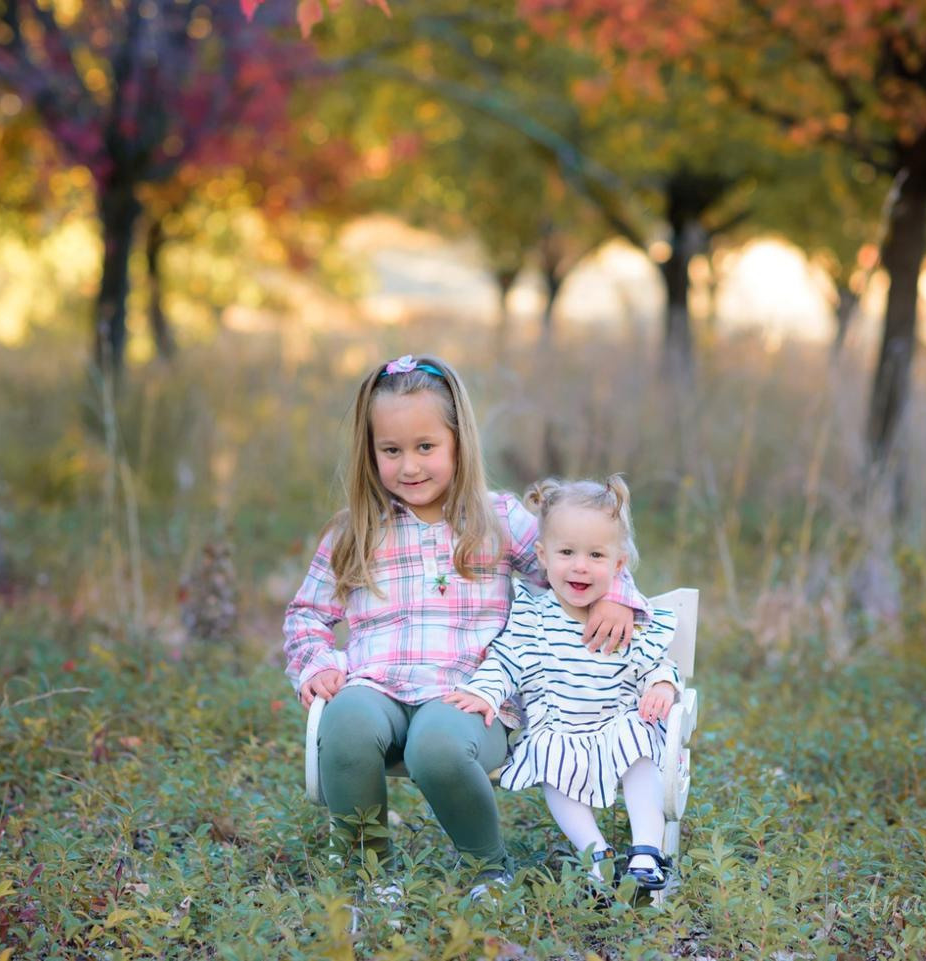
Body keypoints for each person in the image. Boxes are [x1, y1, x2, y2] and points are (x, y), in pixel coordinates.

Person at [283, 354, 650, 895]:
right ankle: (368, 875)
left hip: (471, 699)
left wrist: (616, 596)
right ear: (370, 453)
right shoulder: (354, 530)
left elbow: (574, 565)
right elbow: (307, 615)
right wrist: (314, 662)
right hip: (374, 685)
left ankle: (489, 870)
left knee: (436, 743)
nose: (409, 466)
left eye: (425, 447)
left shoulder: (496, 519)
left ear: (459, 442)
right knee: (347, 721)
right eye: (391, 450)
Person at [444, 475, 679, 892]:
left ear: (618, 565)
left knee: (641, 750)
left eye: (595, 554)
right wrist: (484, 690)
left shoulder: (622, 618)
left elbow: (655, 664)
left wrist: (662, 686)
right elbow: (505, 660)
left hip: (616, 721)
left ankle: (647, 849)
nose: (580, 565)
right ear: (542, 557)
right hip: (560, 730)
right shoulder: (532, 616)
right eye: (566, 552)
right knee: (551, 765)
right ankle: (596, 853)